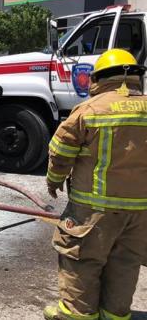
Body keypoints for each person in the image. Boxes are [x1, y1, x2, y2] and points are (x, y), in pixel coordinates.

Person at [43, 49, 147, 320]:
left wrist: (53, 181)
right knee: (125, 264)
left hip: (93, 211)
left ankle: (77, 314)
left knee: (82, 261)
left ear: (98, 78)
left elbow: (61, 151)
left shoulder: (90, 110)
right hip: (140, 214)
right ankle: (114, 315)